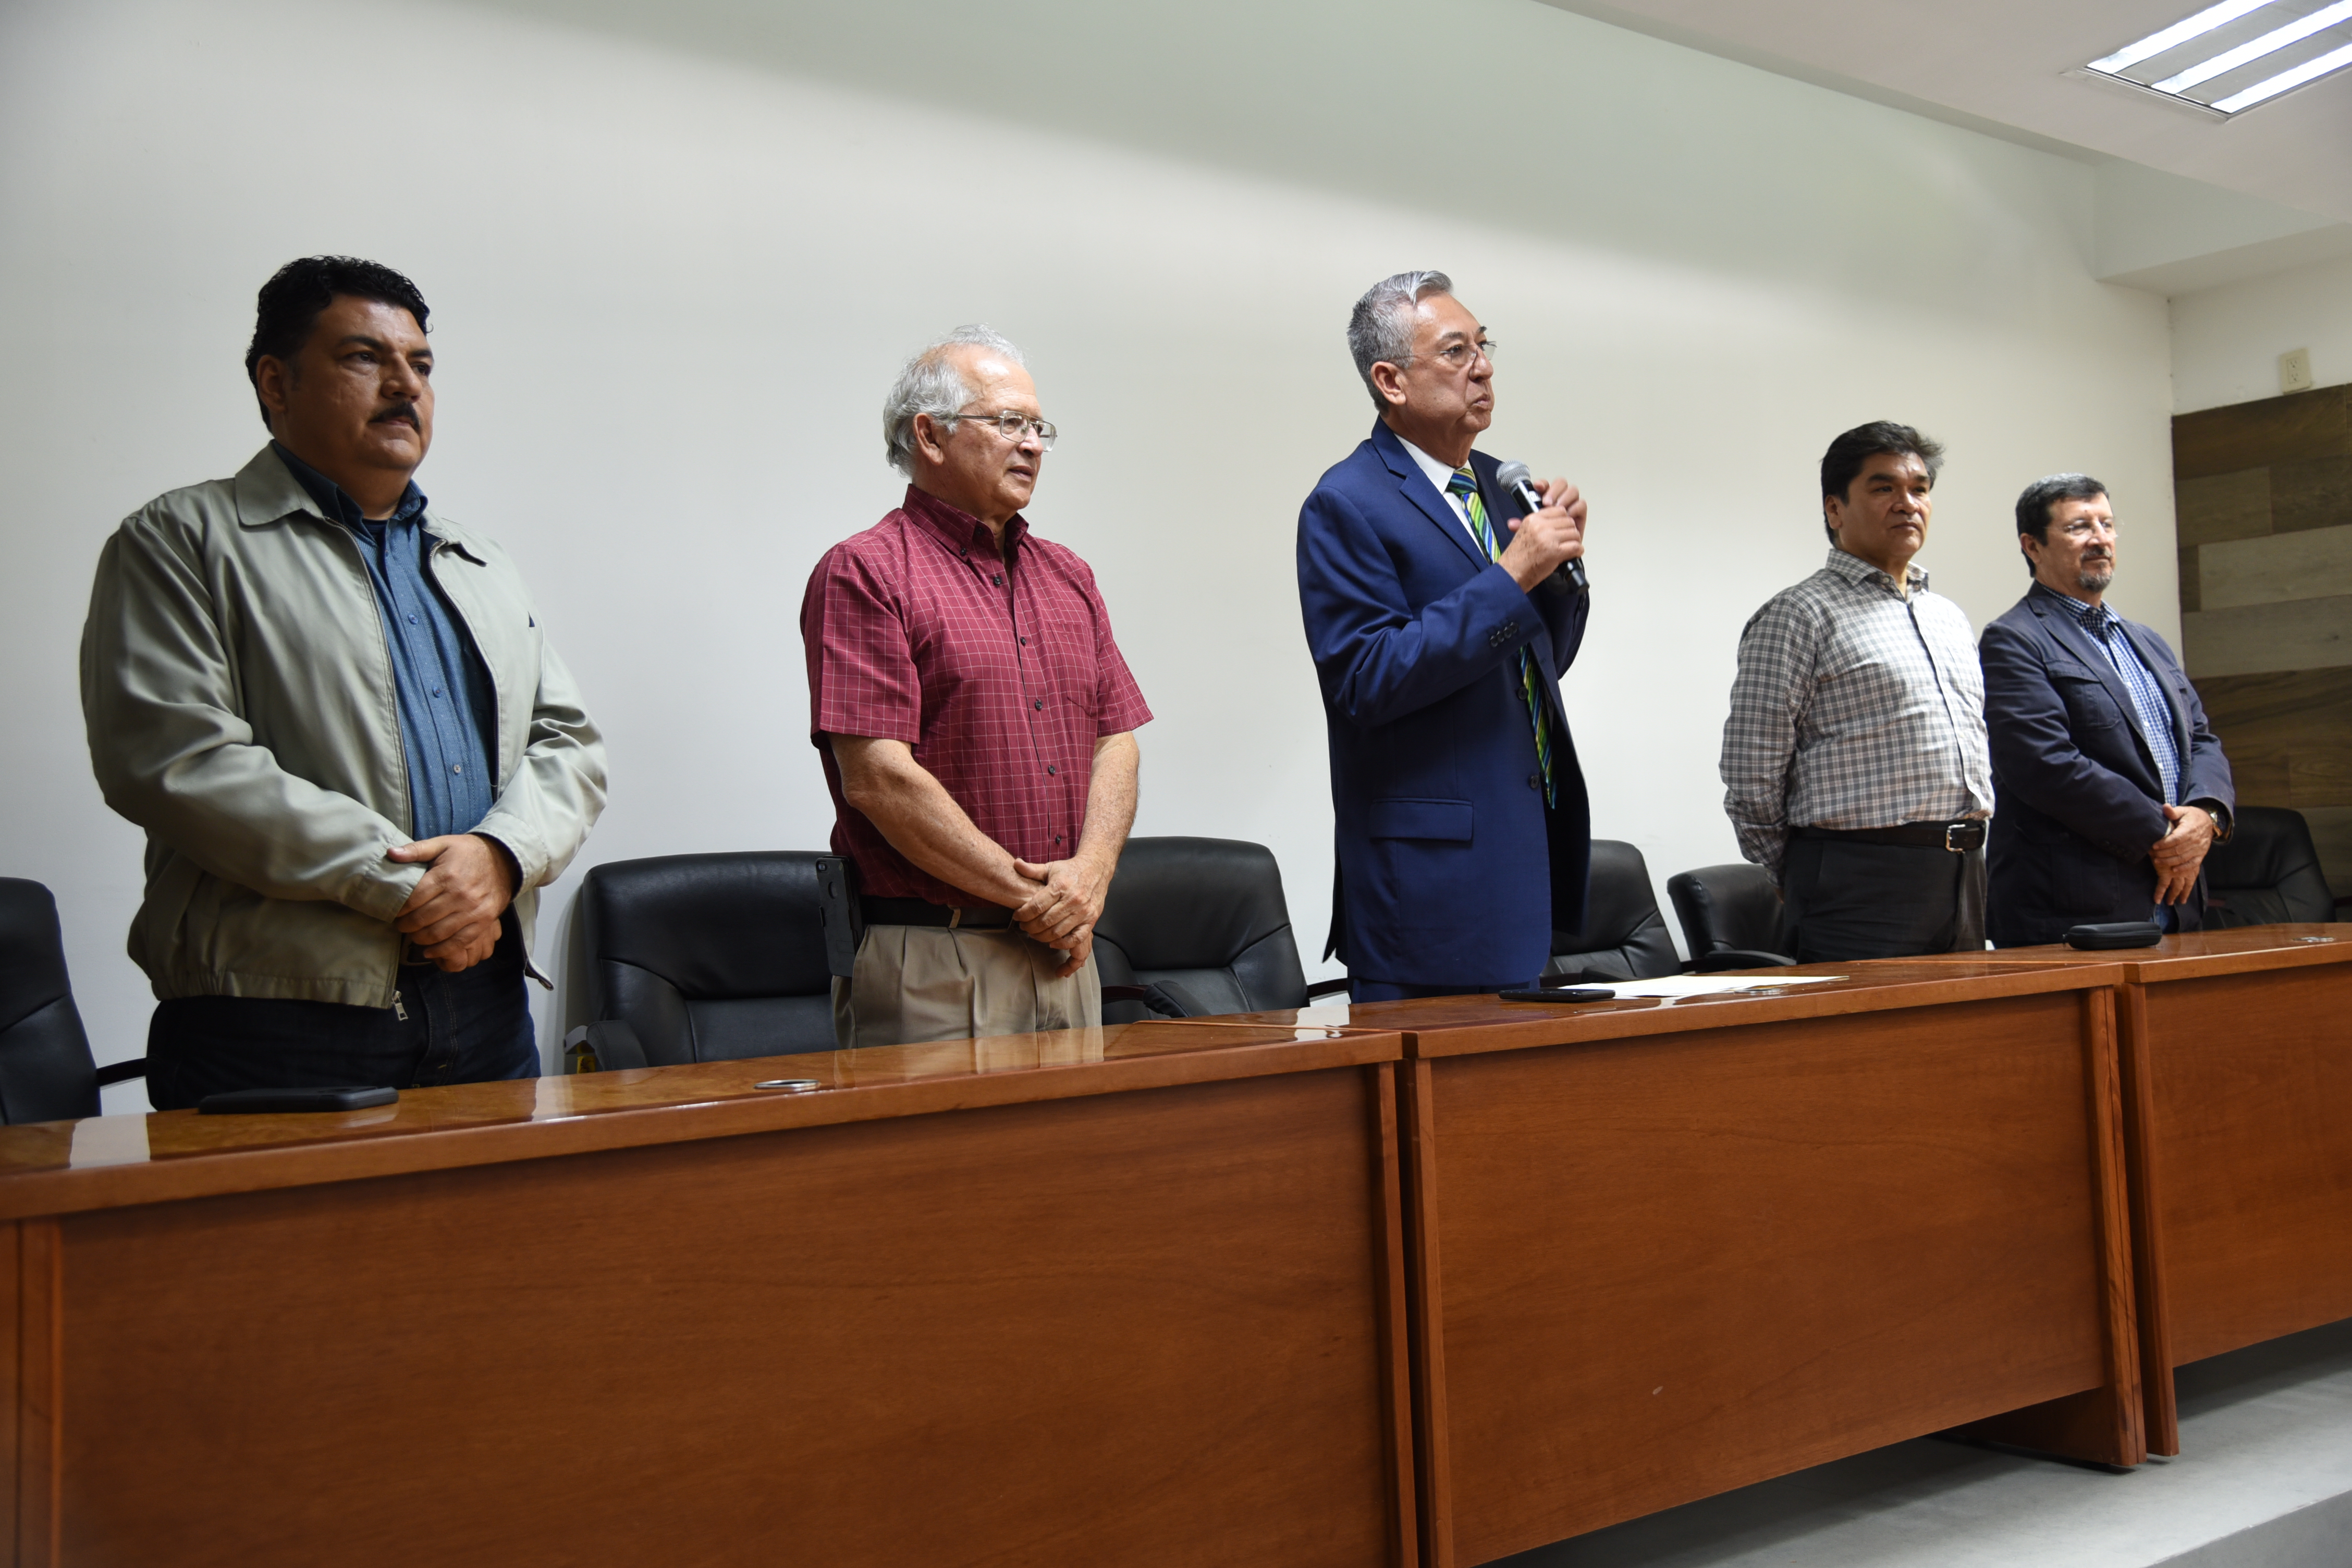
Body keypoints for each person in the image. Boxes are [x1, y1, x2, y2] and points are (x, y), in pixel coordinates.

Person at [81, 256, 607, 1108]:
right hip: (279, 1017)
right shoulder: (180, 540)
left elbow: (568, 744)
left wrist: (501, 859)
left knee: (497, 1245)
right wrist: (412, 887)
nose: (405, 383)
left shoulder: (479, 561)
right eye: (366, 357)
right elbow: (176, 760)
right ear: (275, 381)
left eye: (422, 364)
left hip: (486, 1003)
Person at [802, 326, 1149, 1048]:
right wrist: (1033, 897)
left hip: (1065, 950)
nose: (1033, 444)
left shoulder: (1069, 576)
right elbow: (879, 780)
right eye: (1009, 423)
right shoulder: (865, 573)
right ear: (930, 436)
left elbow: (1116, 739)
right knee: (944, 1166)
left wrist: (1088, 880)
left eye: (1040, 426)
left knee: (1079, 1160)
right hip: (937, 958)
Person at [1296, 271, 1592, 999]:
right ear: (1391, 381)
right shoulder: (1346, 503)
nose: (1484, 367)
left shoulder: (1499, 483)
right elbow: (1368, 679)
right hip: (1430, 887)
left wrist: (1554, 575)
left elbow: (1538, 664)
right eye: (1457, 351)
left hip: (1524, 853)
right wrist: (1510, 577)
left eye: (1484, 346)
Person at [1719, 421, 1992, 962]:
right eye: (1883, 487)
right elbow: (1752, 773)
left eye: (1919, 488)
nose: (1907, 503)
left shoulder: (1947, 617)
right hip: (1856, 878)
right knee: (1870, 1047)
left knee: (1963, 1041)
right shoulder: (1799, 615)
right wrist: (1797, 869)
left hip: (1964, 872)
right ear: (1835, 509)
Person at [1979, 474, 2234, 946]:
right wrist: (2166, 836)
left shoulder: (2147, 640)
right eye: (2079, 527)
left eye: (2107, 524)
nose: (2100, 539)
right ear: (2032, 546)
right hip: (2076, 910)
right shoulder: (2013, 639)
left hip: (2179, 902)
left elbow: (2201, 740)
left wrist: (2205, 815)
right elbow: (2043, 764)